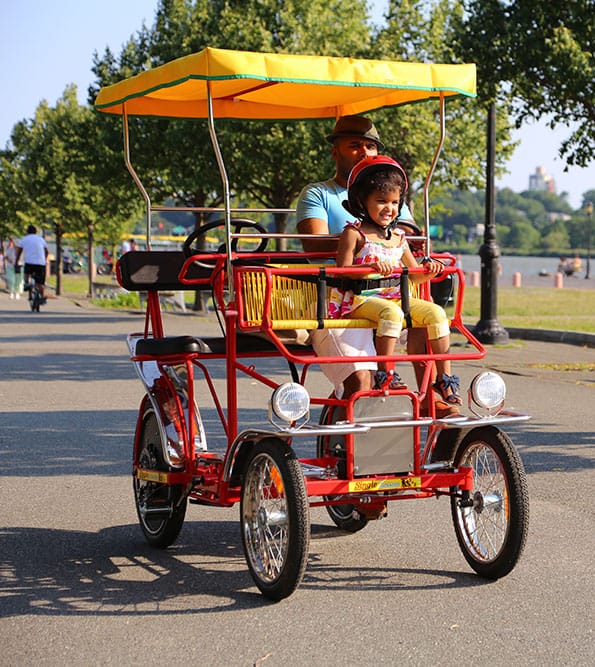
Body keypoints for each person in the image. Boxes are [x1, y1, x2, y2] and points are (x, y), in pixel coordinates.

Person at [296, 115, 459, 416]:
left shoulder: (389, 193)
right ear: (336, 151)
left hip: (392, 293)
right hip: (337, 298)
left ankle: (432, 394)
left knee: (425, 313)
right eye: (355, 145)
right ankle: (355, 438)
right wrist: (363, 245)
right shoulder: (318, 193)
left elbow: (409, 239)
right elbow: (314, 244)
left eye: (371, 146)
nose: (365, 153)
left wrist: (401, 250)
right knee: (361, 380)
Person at [329, 155, 462, 404]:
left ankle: (444, 379)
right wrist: (368, 267)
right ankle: (385, 371)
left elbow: (413, 276)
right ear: (362, 201)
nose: (388, 208)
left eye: (394, 202)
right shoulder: (354, 234)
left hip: (395, 298)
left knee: (436, 313)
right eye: (381, 201)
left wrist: (429, 271)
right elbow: (341, 270)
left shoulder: (399, 238)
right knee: (392, 314)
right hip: (361, 300)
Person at [15, 225, 49, 302]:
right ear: (35, 232)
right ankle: (42, 297)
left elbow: (19, 252)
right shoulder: (41, 239)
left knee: (27, 273)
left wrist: (16, 262)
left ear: (27, 231)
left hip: (29, 262)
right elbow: (46, 251)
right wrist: (44, 259)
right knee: (40, 283)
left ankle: (26, 283)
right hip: (40, 263)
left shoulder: (24, 239)